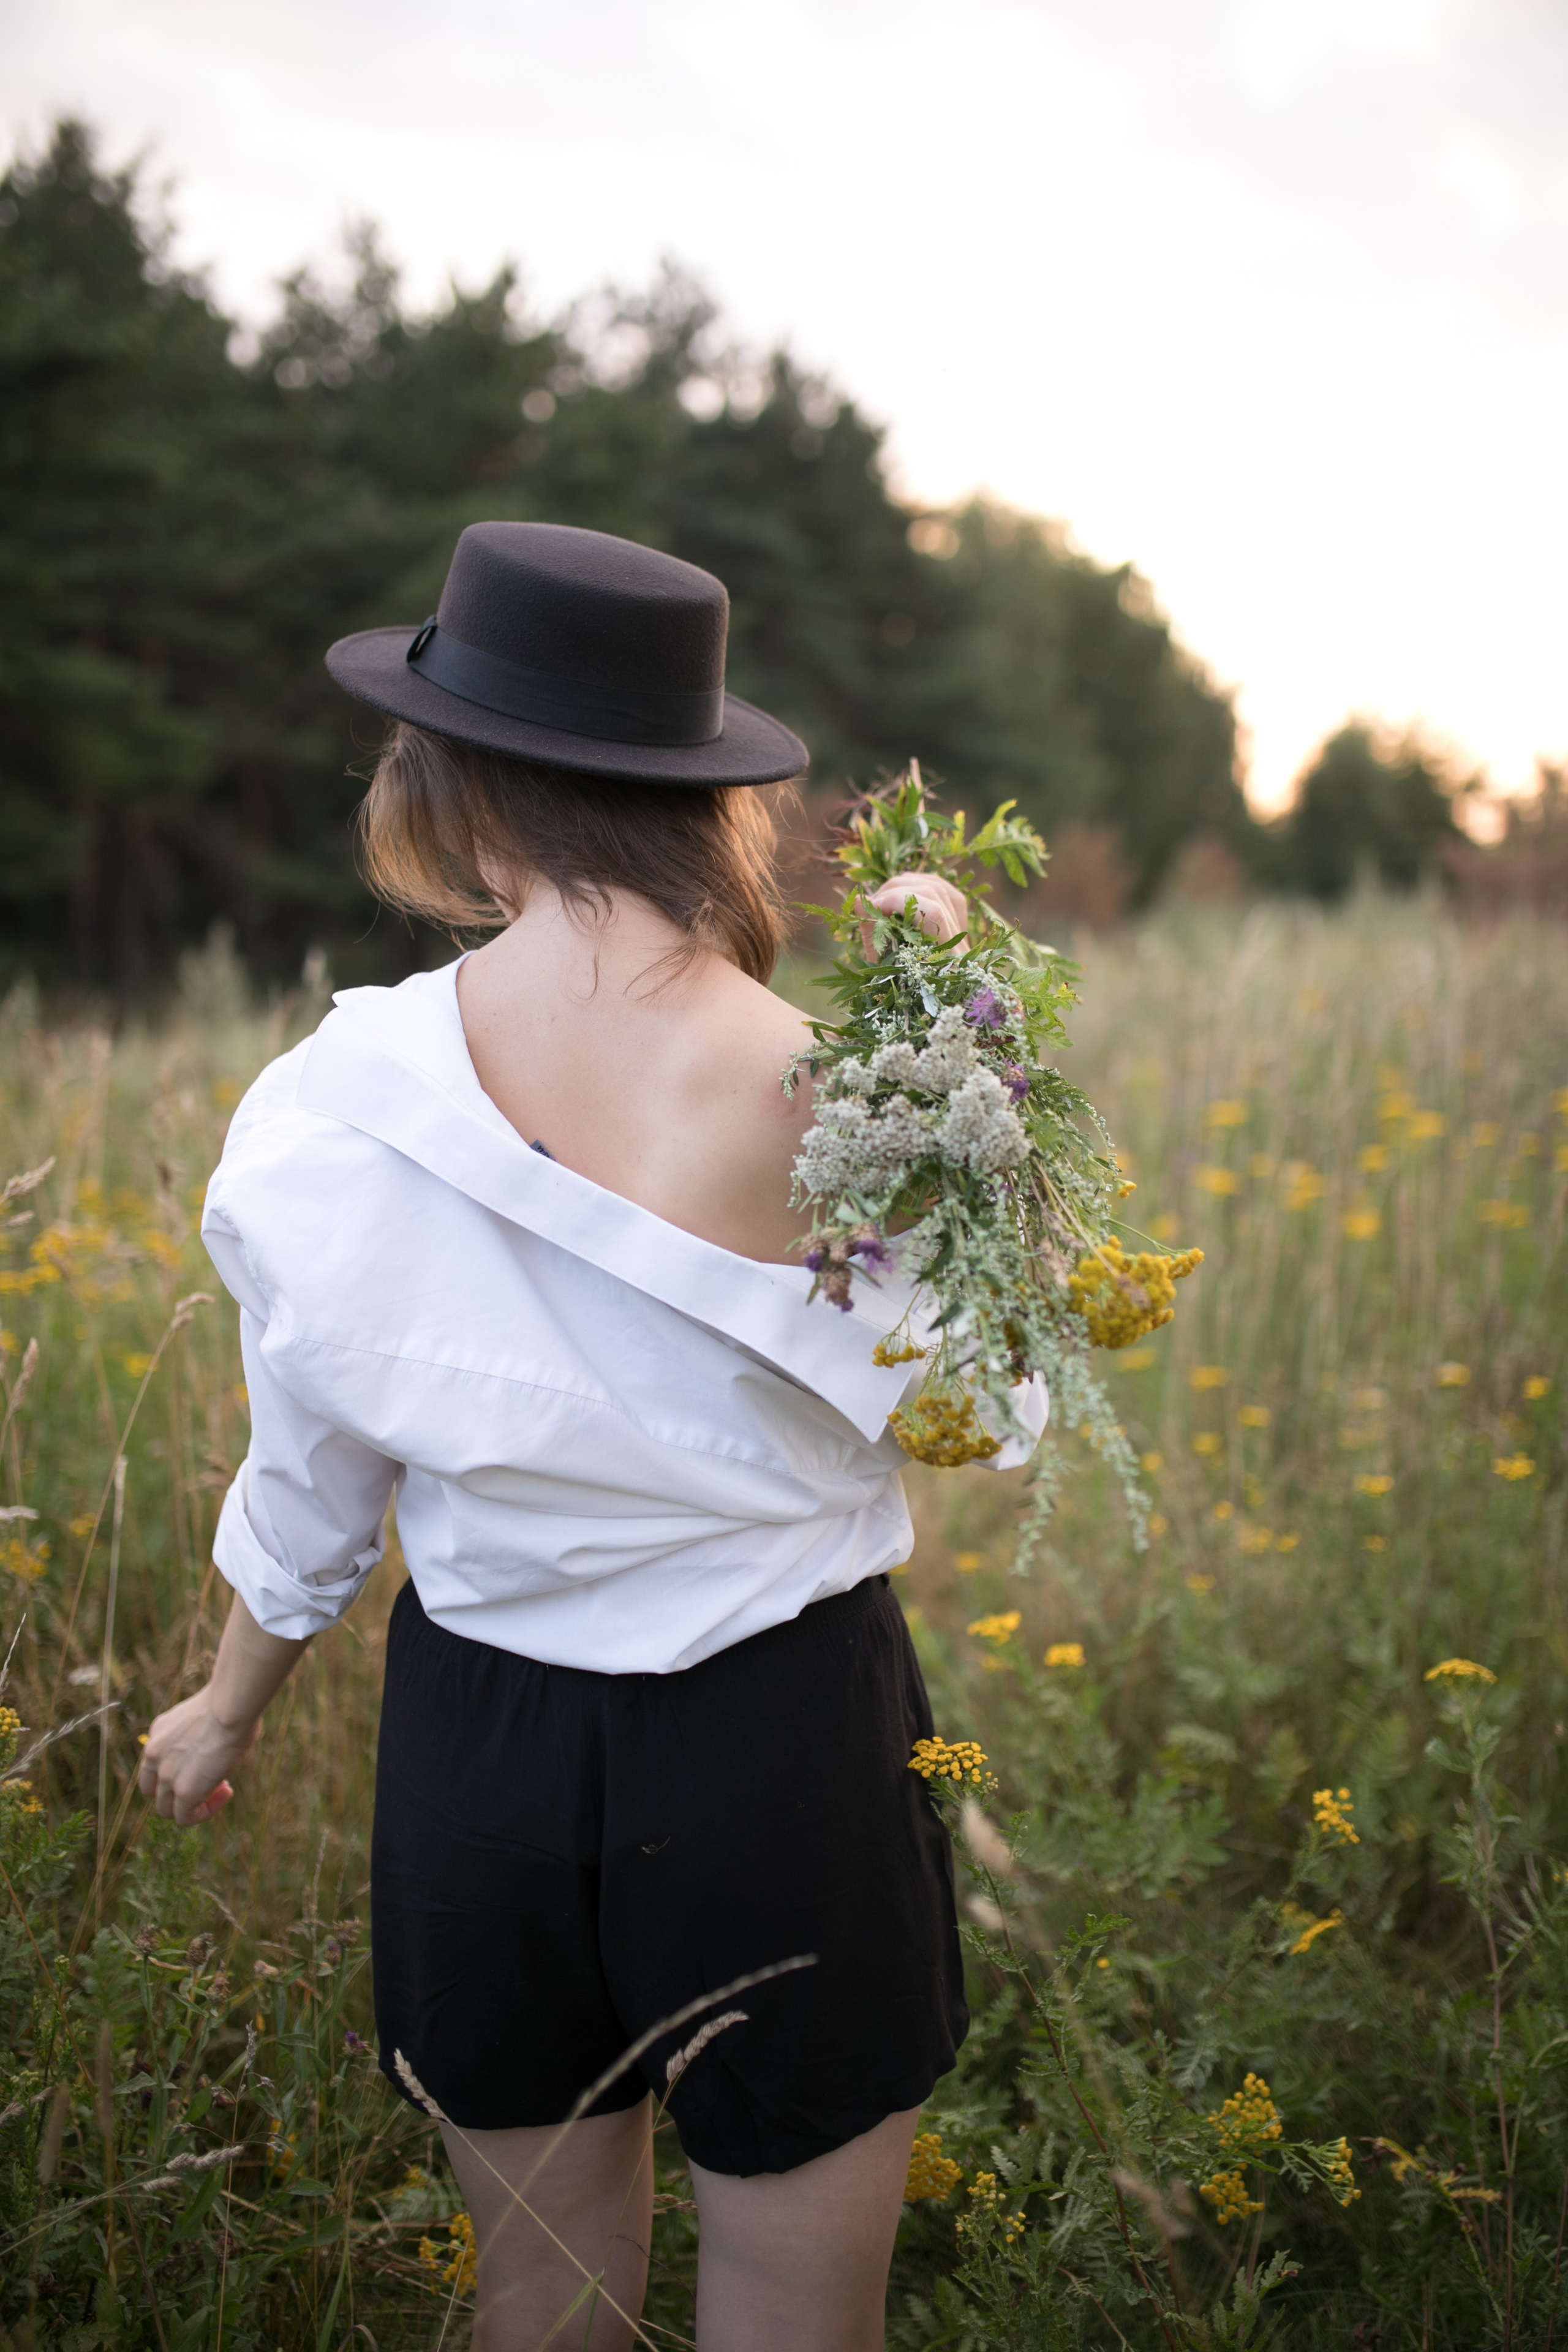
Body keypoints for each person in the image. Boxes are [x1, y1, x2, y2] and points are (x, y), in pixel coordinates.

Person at [138, 522, 1034, 2351]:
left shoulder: (327, 1109)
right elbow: (996, 1405)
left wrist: (229, 1702)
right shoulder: (824, 1086)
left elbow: (313, 1476)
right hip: (785, 1738)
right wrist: (958, 1026)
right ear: (708, 801)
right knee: (799, 2322)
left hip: (481, 1742)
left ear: (458, 800)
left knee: (541, 2304)